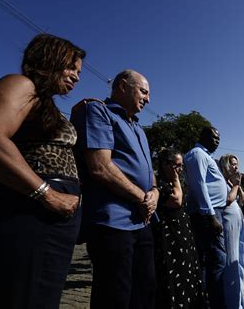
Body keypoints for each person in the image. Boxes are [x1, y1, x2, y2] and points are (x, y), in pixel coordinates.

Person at [0, 33, 85, 308]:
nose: (76, 76)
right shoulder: (19, 84)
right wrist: (47, 194)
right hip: (30, 212)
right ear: (50, 59)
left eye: (78, 71)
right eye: (70, 67)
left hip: (49, 217)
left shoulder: (43, 101)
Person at [70, 69, 158, 308]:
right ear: (122, 86)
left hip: (143, 221)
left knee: (145, 292)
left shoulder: (139, 128)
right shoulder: (98, 111)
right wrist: (142, 197)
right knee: (115, 296)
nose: (148, 99)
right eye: (143, 91)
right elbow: (100, 167)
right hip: (113, 223)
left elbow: (151, 178)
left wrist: (155, 194)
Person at [152, 148, 206, 308]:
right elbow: (176, 200)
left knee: (188, 273)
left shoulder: (172, 182)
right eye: (177, 165)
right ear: (165, 165)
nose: (179, 170)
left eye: (181, 166)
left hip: (182, 235)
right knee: (176, 277)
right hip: (170, 238)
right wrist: (176, 180)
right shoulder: (159, 184)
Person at [184, 126, 227, 308]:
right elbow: (199, 184)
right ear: (202, 136)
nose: (217, 141)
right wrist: (210, 215)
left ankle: (208, 300)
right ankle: (215, 303)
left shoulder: (205, 155)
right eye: (214, 137)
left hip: (212, 211)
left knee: (211, 260)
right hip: (207, 214)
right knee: (217, 259)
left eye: (219, 138)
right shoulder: (197, 154)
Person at [219, 154, 244, 309]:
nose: (236, 167)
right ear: (225, 165)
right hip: (229, 229)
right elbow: (227, 199)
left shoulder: (230, 182)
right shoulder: (221, 182)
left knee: (239, 262)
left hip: (238, 227)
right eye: (233, 164)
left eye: (237, 164)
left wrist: (237, 185)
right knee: (232, 265)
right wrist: (236, 185)